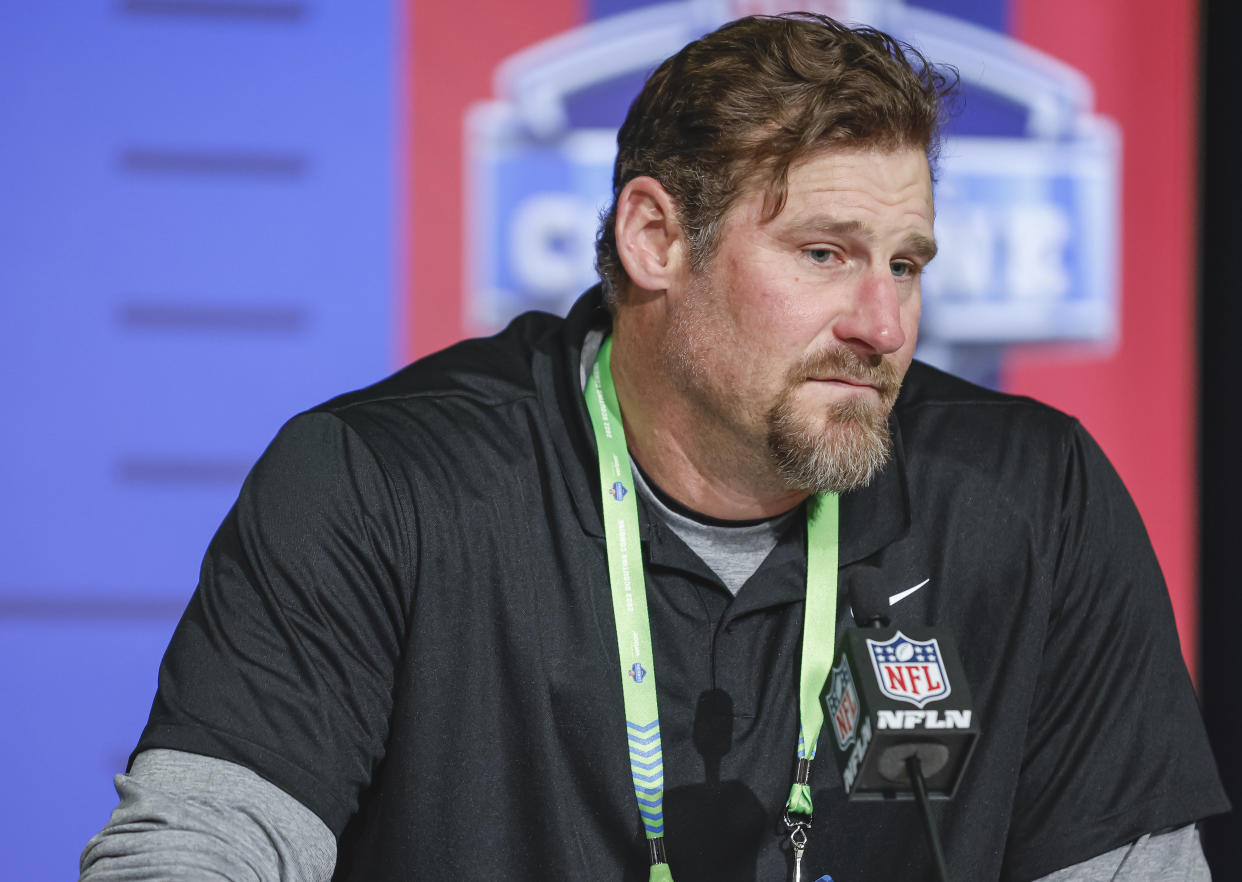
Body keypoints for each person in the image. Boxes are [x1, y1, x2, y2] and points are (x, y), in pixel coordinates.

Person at [80, 12, 1227, 882]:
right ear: (654, 238)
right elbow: (196, 844)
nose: (884, 325)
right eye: (825, 253)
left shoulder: (1034, 494)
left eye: (906, 264)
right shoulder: (381, 483)